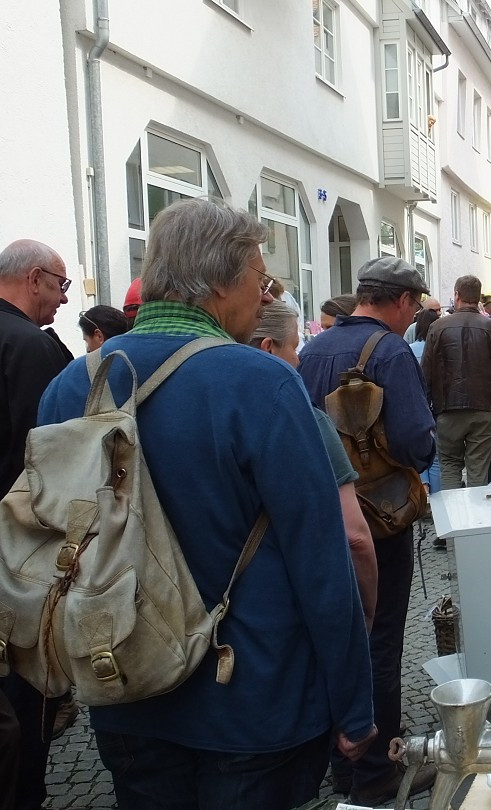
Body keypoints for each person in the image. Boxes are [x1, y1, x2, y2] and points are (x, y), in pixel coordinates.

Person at [38, 199, 376, 808]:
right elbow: (322, 561)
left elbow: (58, 539)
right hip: (249, 692)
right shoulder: (260, 382)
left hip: (128, 682)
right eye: (261, 278)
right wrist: (354, 703)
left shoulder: (72, 384)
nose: (262, 294)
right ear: (223, 282)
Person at [298, 256, 437, 806]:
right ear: (401, 301)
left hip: (319, 514)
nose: (413, 315)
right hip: (379, 521)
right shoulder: (390, 350)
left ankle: (342, 765)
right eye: (415, 305)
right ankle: (379, 769)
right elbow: (413, 440)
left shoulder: (312, 349)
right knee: (381, 642)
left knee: (335, 638)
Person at [249, 300, 378, 627]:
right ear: (269, 348)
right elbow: (355, 537)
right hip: (298, 604)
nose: (299, 356)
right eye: (293, 346)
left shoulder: (209, 412)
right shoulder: (306, 420)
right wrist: (366, 613)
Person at [0, 238, 72, 810]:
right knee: (24, 689)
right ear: (33, 279)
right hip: (19, 549)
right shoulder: (31, 348)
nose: (63, 299)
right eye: (60, 286)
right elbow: (51, 462)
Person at [423, 275, 491, 490]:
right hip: (484, 406)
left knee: (449, 464)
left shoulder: (437, 328)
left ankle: (453, 519)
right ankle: (476, 518)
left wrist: (426, 411)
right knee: (478, 468)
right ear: (478, 297)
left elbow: (426, 373)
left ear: (457, 295)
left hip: (446, 408)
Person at [409, 308, 444, 496]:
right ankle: (437, 499)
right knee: (436, 457)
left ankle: (423, 488)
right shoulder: (441, 349)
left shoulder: (409, 349)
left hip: (416, 404)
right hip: (437, 404)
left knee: (421, 452)